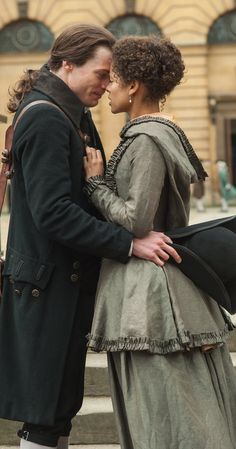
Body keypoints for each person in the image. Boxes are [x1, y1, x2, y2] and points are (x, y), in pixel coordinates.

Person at [0, 25, 181, 449]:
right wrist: (129, 243)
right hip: (46, 286)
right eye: (101, 74)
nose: (107, 84)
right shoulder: (46, 116)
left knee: (58, 411)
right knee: (44, 415)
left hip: (60, 282)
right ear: (67, 65)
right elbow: (53, 213)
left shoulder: (69, 111)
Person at [83, 36, 236, 449]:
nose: (108, 89)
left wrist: (96, 183)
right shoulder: (154, 133)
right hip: (158, 282)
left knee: (168, 409)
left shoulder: (147, 139)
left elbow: (137, 220)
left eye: (113, 79)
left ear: (134, 86)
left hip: (152, 293)